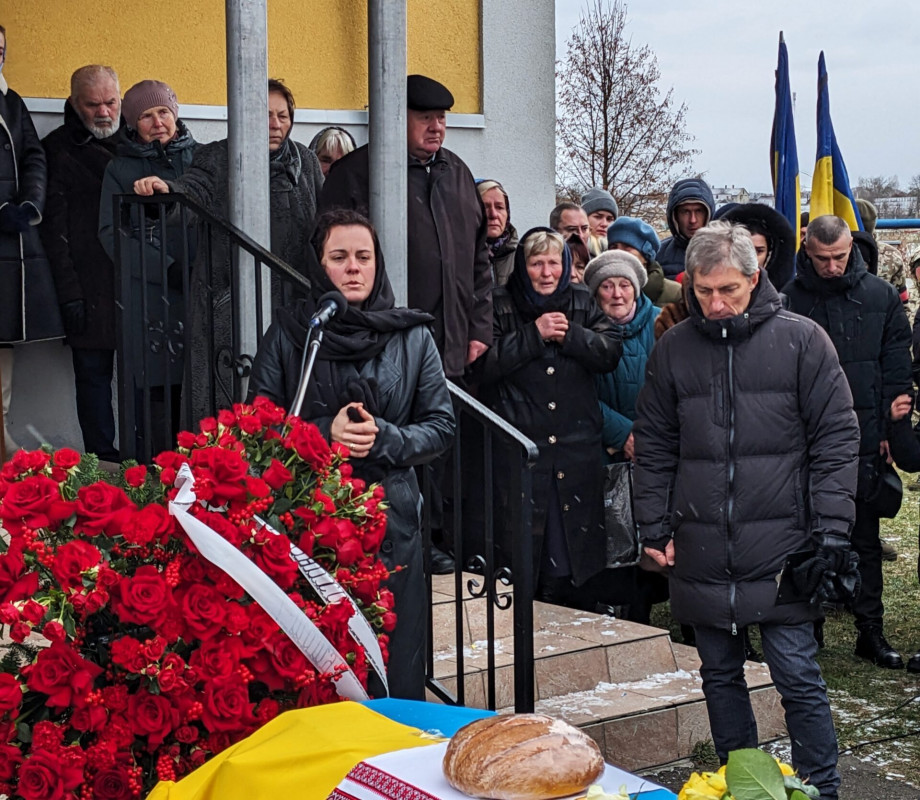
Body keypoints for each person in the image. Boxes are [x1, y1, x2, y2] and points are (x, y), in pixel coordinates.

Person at [634, 220, 860, 800]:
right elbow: (654, 445)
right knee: (719, 677)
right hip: (701, 544)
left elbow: (837, 439)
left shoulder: (802, 340)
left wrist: (831, 531)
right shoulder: (673, 349)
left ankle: (822, 790)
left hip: (784, 546)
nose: (715, 303)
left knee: (798, 677)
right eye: (703, 291)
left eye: (728, 290)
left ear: (755, 277)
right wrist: (654, 526)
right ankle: (742, 788)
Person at [247, 208, 455, 699]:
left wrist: (386, 437)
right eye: (339, 257)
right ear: (320, 266)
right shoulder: (294, 334)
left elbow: (441, 426)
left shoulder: (412, 335)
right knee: (323, 665)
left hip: (391, 524)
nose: (354, 268)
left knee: (395, 664)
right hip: (313, 525)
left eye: (363, 257)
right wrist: (324, 434)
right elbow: (258, 428)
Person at [134, 78, 324, 425]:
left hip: (293, 303)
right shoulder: (218, 157)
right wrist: (167, 192)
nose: (275, 123)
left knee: (290, 402)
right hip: (229, 304)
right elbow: (194, 193)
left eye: (282, 115)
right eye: (265, 114)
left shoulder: (307, 162)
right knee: (226, 405)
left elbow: (324, 225)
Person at [784, 215, 913, 669]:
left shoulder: (879, 296)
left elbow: (896, 369)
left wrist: (889, 434)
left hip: (864, 439)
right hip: (804, 440)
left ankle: (869, 630)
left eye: (839, 257)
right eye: (823, 259)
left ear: (851, 249)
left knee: (864, 540)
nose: (833, 266)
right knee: (804, 537)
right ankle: (809, 628)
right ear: (808, 253)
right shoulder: (789, 297)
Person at [474, 227, 622, 610]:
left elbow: (609, 352)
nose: (545, 272)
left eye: (553, 262)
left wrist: (570, 335)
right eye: (536, 263)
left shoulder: (582, 301)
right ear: (523, 267)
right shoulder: (499, 302)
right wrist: (533, 335)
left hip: (576, 449)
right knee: (524, 547)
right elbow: (481, 366)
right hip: (521, 449)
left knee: (574, 548)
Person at [320, 74, 491, 381]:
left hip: (451, 351)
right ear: (398, 117)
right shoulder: (355, 175)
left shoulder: (459, 175)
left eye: (440, 118)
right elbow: (329, 263)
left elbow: (479, 260)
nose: (436, 127)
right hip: (379, 352)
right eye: (425, 118)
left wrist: (478, 329)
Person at [98, 80, 199, 456]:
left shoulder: (203, 158)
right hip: (150, 297)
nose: (157, 121)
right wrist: (166, 269)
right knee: (158, 391)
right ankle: (160, 476)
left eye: (162, 111)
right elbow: (113, 234)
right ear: (132, 123)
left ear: (175, 113)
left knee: (204, 381)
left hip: (202, 288)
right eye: (145, 115)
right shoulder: (120, 169)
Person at [41, 65, 123, 461]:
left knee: (147, 382)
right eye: (93, 104)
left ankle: (151, 457)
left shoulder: (137, 141)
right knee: (93, 378)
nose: (104, 112)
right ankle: (103, 462)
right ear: (75, 104)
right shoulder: (56, 149)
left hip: (139, 282)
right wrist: (68, 294)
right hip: (87, 287)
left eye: (111, 102)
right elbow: (53, 233)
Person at [584, 249, 664, 623]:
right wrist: (623, 432)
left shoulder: (662, 326)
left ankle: (647, 612)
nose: (617, 294)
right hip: (604, 453)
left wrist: (648, 435)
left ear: (637, 289)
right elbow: (578, 396)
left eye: (624, 285)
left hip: (657, 452)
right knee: (611, 540)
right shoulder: (584, 332)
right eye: (607, 286)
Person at [0, 24, 64, 458]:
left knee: (3, 343)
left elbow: (33, 155)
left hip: (10, 243)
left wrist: (29, 204)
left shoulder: (11, 101)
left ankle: (2, 443)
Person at [712, 202, 795, 290]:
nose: (752, 258)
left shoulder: (785, 299)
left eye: (758, 251)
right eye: (743, 249)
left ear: (769, 254)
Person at [606, 215, 681, 308]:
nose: (619, 253)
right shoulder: (600, 292)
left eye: (627, 247)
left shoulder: (674, 294)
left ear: (645, 257)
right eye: (613, 247)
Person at [656, 178, 715, 278]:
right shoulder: (658, 255)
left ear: (708, 214)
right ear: (675, 216)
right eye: (685, 212)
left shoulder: (724, 252)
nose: (693, 220)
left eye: (699, 211)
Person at [476, 178, 517, 287]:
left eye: (499, 207)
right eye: (485, 207)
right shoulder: (457, 256)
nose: (493, 214)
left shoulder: (523, 258)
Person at [581, 187, 618, 256]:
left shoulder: (620, 253)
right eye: (598, 217)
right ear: (585, 218)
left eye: (609, 219)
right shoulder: (571, 252)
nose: (604, 224)